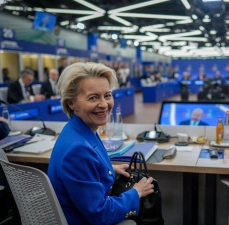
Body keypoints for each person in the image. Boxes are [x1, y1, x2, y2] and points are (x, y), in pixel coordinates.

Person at [48, 62, 154, 225]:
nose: (104, 104)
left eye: (107, 95)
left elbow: (84, 173)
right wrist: (136, 192)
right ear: (71, 103)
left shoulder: (77, 130)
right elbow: (100, 214)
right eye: (93, 97)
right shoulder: (78, 150)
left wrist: (107, 168)